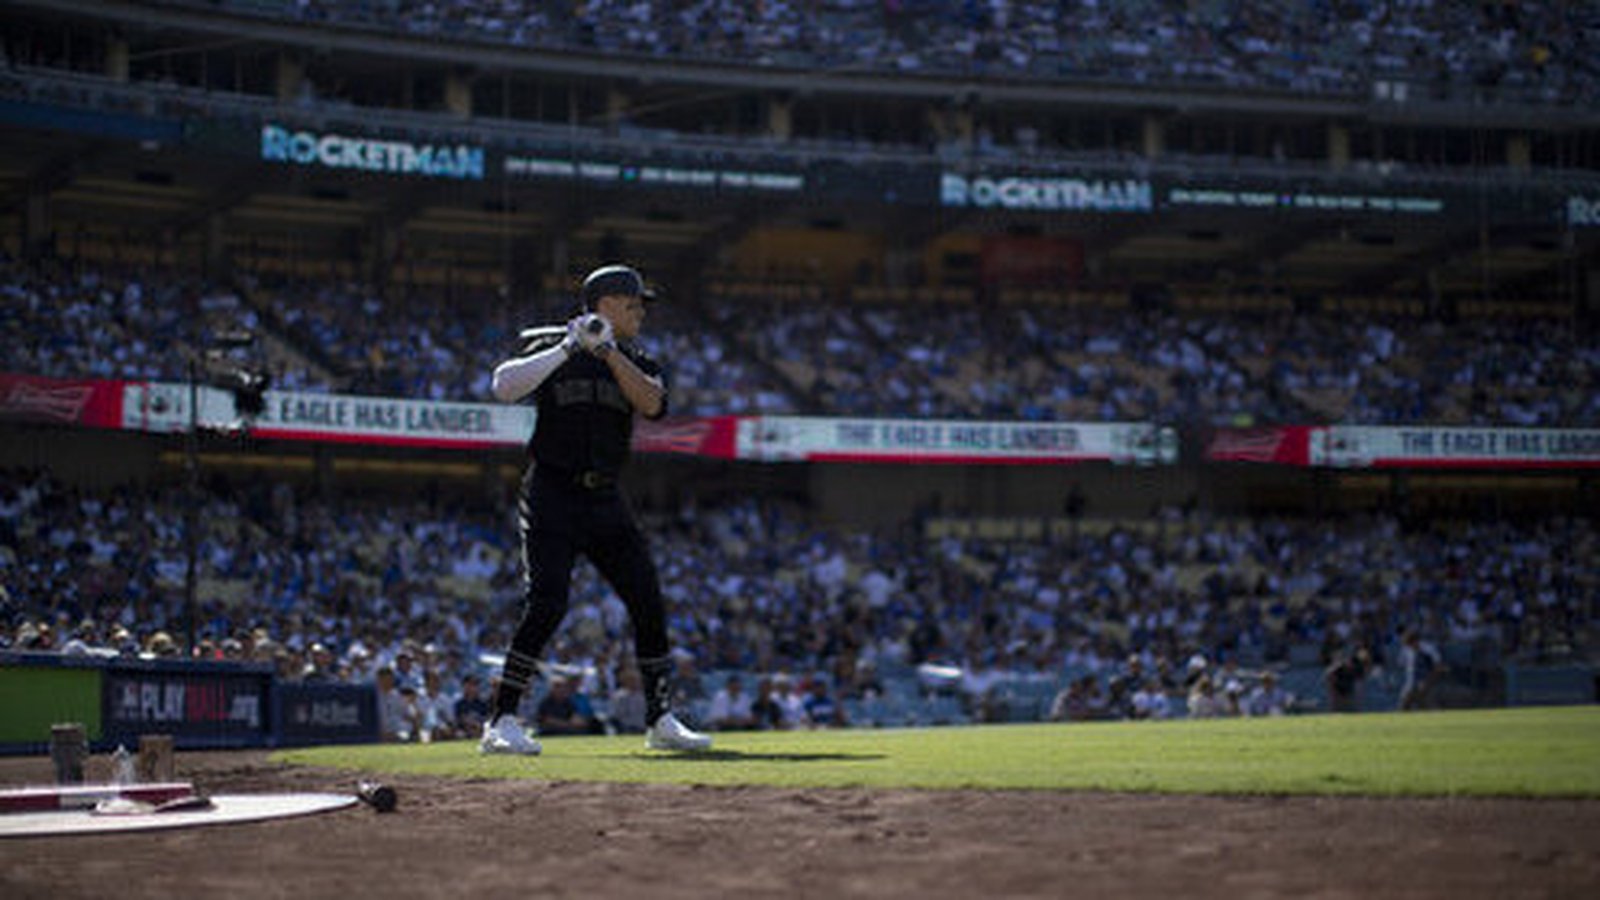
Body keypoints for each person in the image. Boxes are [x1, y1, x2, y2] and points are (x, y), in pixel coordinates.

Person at [479, 263, 711, 755]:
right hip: (552, 493)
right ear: (605, 304)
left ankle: (660, 718)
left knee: (648, 599)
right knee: (547, 603)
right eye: (632, 304)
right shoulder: (556, 349)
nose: (641, 313)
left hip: (605, 496)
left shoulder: (635, 357)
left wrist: (607, 353)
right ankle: (500, 721)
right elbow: (503, 385)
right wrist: (569, 347)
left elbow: (652, 404)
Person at [1398, 628, 1442, 711]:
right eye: (1407, 645)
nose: (1410, 647)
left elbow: (1437, 667)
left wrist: (1429, 681)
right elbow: (1402, 664)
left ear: (1416, 641)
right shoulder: (1405, 649)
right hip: (1411, 680)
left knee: (1425, 698)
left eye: (1410, 644)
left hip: (1427, 678)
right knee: (1404, 702)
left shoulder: (1429, 649)